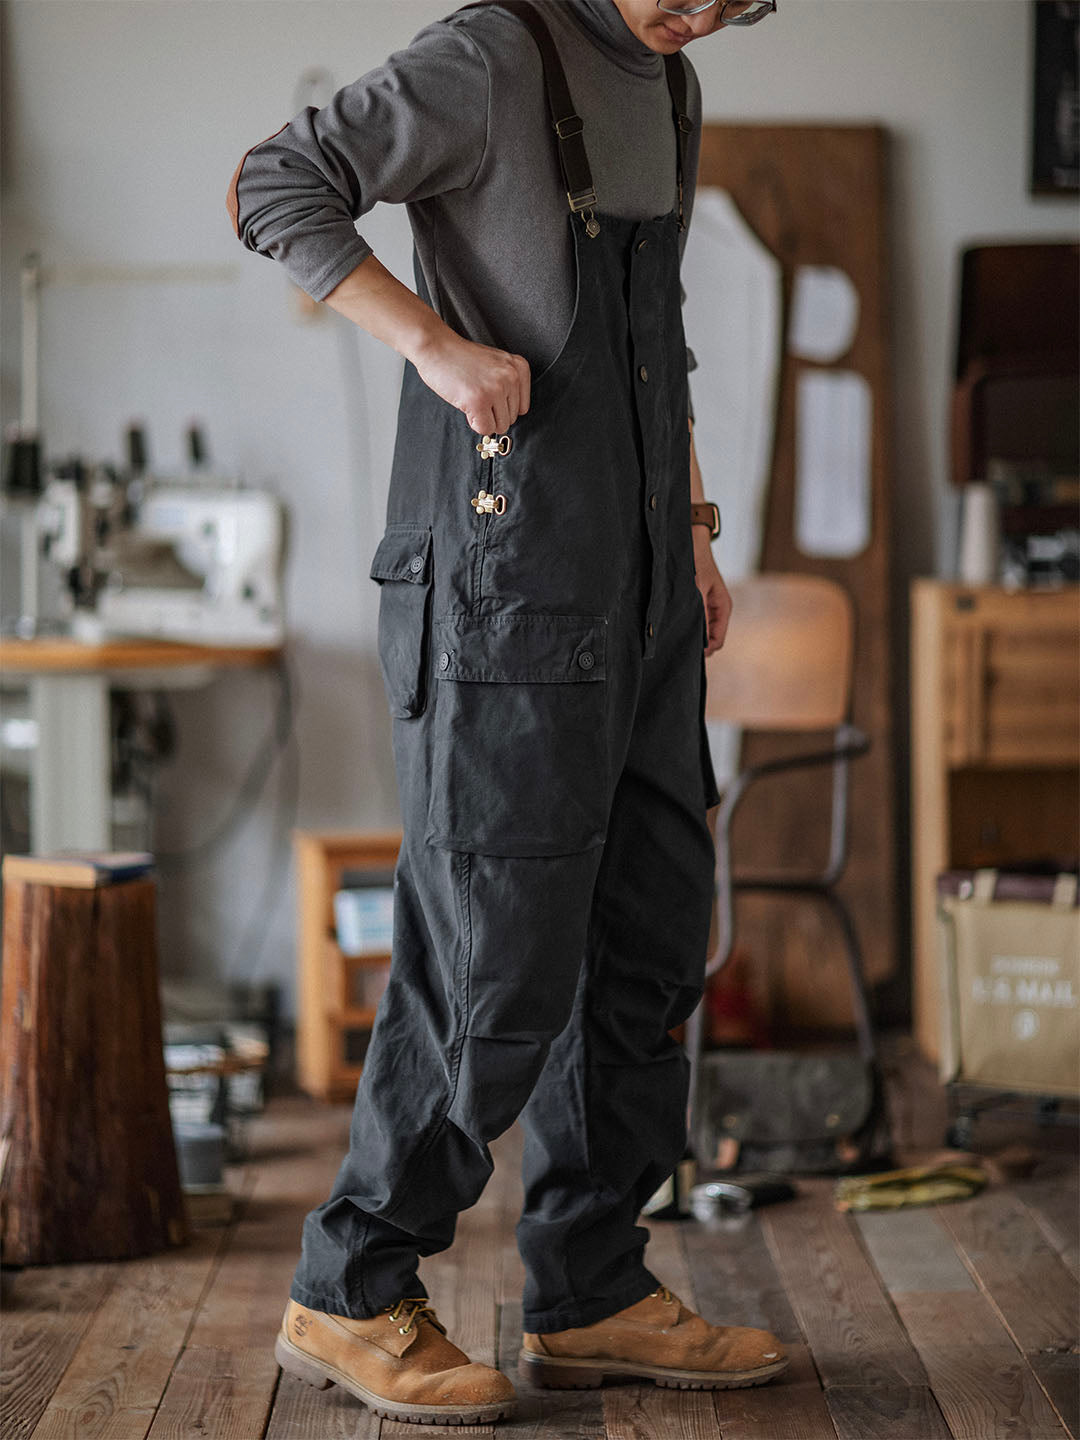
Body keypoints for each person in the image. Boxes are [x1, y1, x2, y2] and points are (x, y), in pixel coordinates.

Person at [229, 0, 787, 1425]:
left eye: (739, 1)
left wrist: (700, 531)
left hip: (645, 584)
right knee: (495, 967)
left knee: (649, 939)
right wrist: (428, 344)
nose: (700, 15)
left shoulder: (668, 83)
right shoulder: (489, 56)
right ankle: (350, 1286)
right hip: (505, 588)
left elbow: (652, 338)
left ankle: (591, 1288)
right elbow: (275, 183)